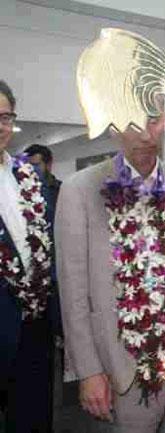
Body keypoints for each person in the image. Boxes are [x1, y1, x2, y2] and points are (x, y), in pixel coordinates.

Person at [55, 105, 165, 433]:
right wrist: (87, 372)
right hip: (122, 349)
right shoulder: (81, 189)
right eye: (132, 123)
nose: (145, 133)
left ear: (164, 123)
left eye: (153, 121)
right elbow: (73, 292)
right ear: (113, 127)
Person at [0, 80, 58, 433]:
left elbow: (50, 246)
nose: (0, 126)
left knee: (34, 419)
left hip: (35, 325)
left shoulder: (31, 176)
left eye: (6, 117)